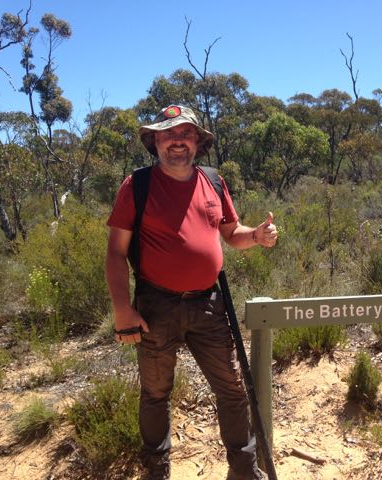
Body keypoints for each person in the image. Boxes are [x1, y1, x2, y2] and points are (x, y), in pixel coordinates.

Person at [105, 105, 277, 480]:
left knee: (233, 389)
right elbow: (116, 253)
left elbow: (232, 234)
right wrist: (122, 310)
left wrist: (257, 236)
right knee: (155, 393)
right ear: (155, 142)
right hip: (156, 307)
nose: (177, 141)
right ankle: (157, 472)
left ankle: (244, 471)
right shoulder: (137, 186)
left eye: (185, 133)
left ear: (198, 142)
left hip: (209, 304)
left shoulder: (213, 182)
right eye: (168, 134)